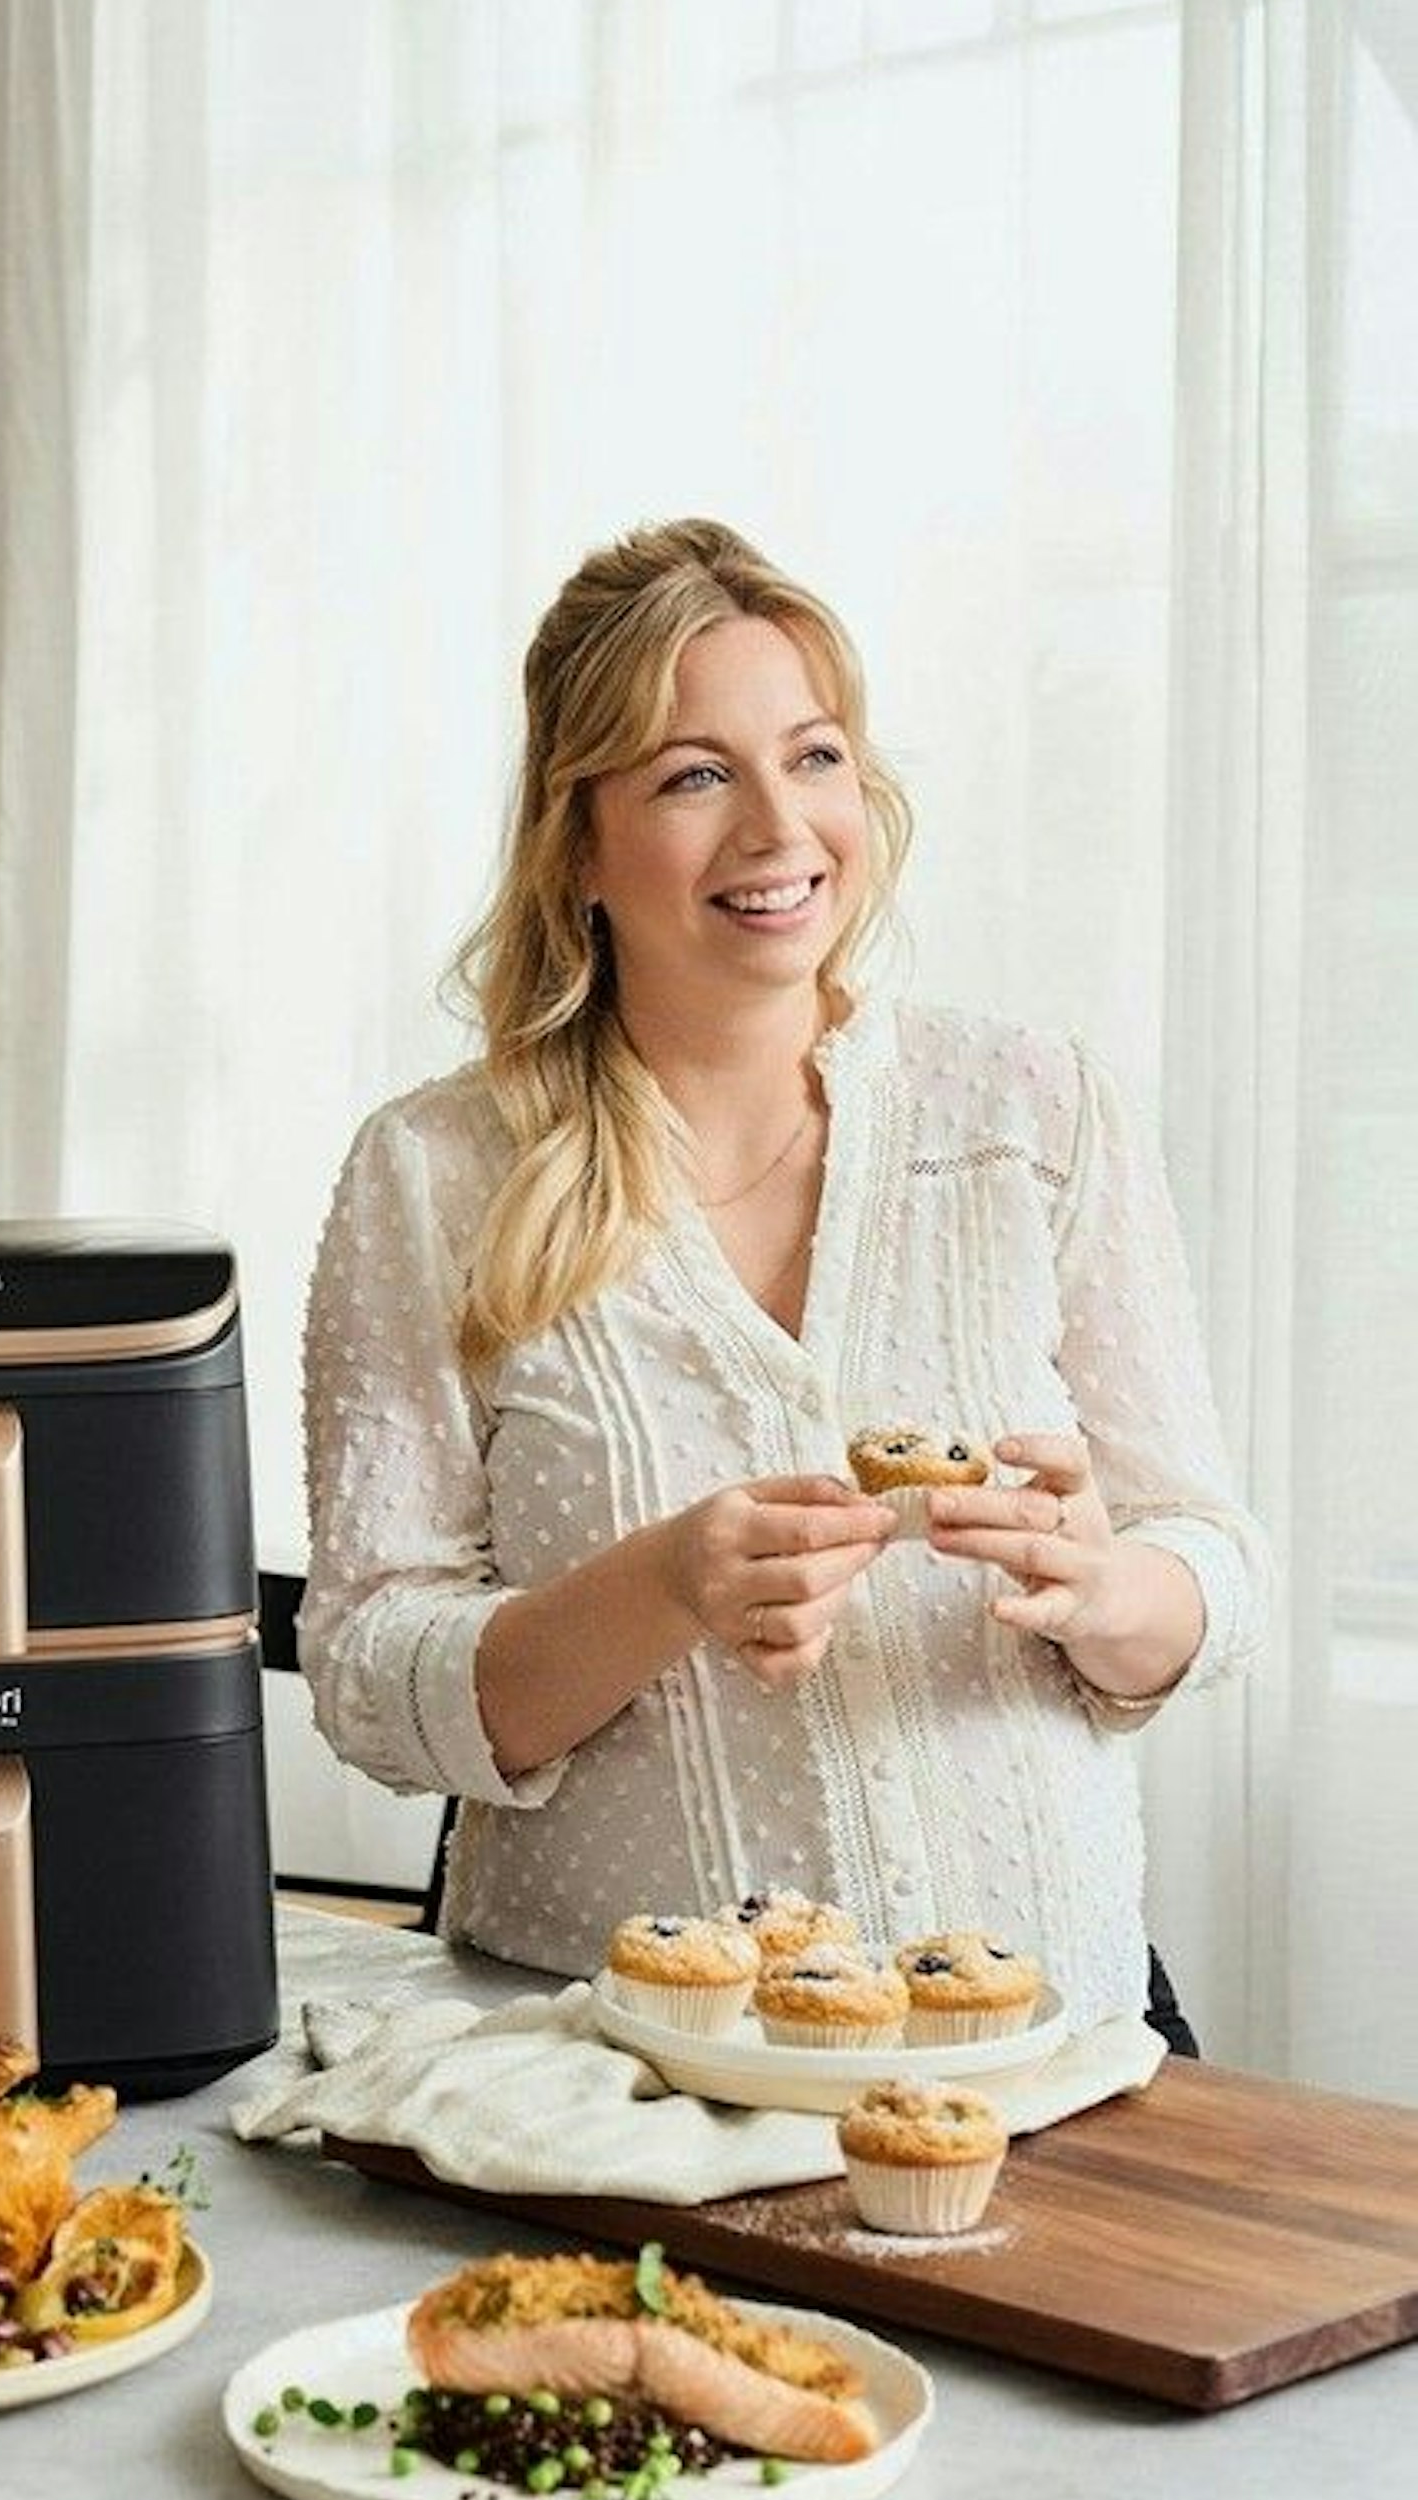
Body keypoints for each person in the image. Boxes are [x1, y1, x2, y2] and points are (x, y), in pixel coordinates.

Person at [297, 515, 1267, 2035]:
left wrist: (1104, 1583)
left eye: (813, 757)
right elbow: (367, 1674)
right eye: (696, 774)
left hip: (1044, 2049)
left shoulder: (1033, 1110)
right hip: (622, 2082)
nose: (777, 827)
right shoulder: (431, 1175)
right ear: (580, 845)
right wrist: (663, 1583)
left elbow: (1212, 1565)